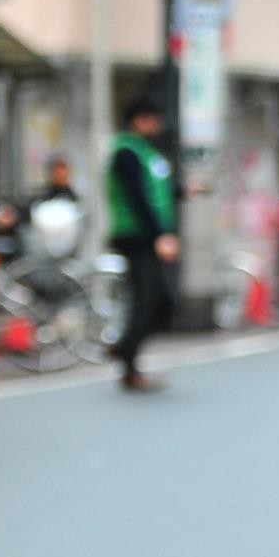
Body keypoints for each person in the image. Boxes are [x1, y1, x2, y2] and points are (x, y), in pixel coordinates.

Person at [105, 96, 179, 391]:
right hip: (138, 238)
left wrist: (184, 190)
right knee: (147, 302)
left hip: (147, 237)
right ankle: (129, 363)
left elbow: (157, 189)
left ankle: (125, 349)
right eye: (153, 119)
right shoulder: (126, 152)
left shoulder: (145, 152)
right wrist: (159, 235)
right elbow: (138, 197)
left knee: (160, 301)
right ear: (140, 120)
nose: (157, 125)